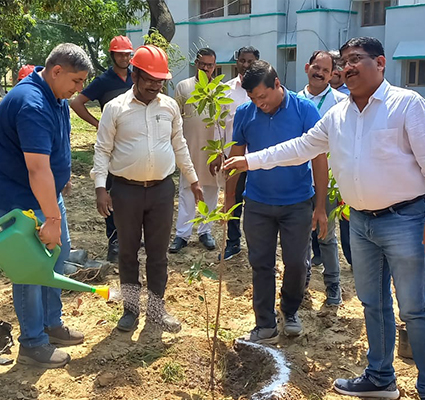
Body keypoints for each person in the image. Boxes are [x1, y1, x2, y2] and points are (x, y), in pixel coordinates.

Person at [224, 37, 425, 400]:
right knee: (372, 303)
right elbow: (300, 148)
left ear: (380, 63)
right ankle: (381, 378)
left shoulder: (406, 104)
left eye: (356, 59)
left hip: (405, 220)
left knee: (414, 307)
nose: (348, 67)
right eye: (344, 61)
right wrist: (249, 161)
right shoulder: (338, 115)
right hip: (361, 222)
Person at [91, 45, 203, 333]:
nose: (155, 86)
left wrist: (193, 179)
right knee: (127, 252)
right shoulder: (115, 108)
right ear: (135, 76)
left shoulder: (170, 107)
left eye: (160, 81)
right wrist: (100, 187)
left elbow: (179, 145)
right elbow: (102, 149)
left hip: (161, 191)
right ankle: (130, 310)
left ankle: (156, 310)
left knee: (158, 254)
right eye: (150, 80)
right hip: (125, 191)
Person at [0, 43, 92, 368]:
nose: (79, 89)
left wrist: (61, 180)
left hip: (47, 197)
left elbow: (53, 149)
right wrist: (51, 218)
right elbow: (37, 169)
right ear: (56, 71)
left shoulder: (55, 96)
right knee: (31, 272)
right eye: (76, 81)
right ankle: (32, 343)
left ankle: (52, 324)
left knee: (56, 259)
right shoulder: (32, 103)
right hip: (22, 203)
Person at [226, 60, 328, 344]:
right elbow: (236, 158)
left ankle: (290, 310)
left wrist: (320, 206)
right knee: (261, 263)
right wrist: (230, 199)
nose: (259, 103)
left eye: (263, 96)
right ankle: (265, 324)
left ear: (277, 85)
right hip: (257, 203)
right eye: (252, 98)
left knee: (296, 263)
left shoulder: (304, 110)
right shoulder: (245, 113)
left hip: (297, 203)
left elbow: (319, 159)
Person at [71, 35, 134, 263]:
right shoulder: (104, 81)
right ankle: (115, 240)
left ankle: (130, 235)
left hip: (133, 143)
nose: (124, 58)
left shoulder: (136, 77)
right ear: (112, 55)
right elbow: (76, 103)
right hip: (111, 144)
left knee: (132, 189)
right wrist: (99, 124)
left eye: (127, 54)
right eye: (120, 54)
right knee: (112, 190)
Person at [300, 50, 347, 305]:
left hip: (328, 182)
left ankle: (333, 285)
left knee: (326, 236)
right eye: (316, 67)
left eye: (325, 70)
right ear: (307, 67)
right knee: (300, 236)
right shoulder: (294, 100)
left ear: (332, 75)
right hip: (298, 181)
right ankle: (302, 281)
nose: (319, 73)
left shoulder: (341, 103)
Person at [210, 46, 260, 261]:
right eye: (242, 60)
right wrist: (217, 152)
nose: (245, 65)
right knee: (232, 199)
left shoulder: (264, 87)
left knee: (257, 204)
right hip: (233, 157)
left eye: (250, 61)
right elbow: (218, 124)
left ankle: (257, 245)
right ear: (236, 61)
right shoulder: (225, 90)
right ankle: (233, 242)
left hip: (259, 158)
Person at [169, 48, 219, 253]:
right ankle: (182, 234)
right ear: (196, 64)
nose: (206, 68)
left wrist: (220, 153)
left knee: (211, 190)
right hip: (189, 148)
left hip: (212, 151)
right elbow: (176, 119)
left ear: (215, 66)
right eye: (202, 64)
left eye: (210, 65)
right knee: (187, 190)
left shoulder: (219, 90)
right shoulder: (184, 87)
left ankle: (205, 231)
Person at [329, 50, 353, 268]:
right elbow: (304, 143)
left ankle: (353, 260)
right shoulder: (336, 108)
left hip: (347, 172)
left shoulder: (349, 97)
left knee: (347, 219)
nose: (339, 70)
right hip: (327, 172)